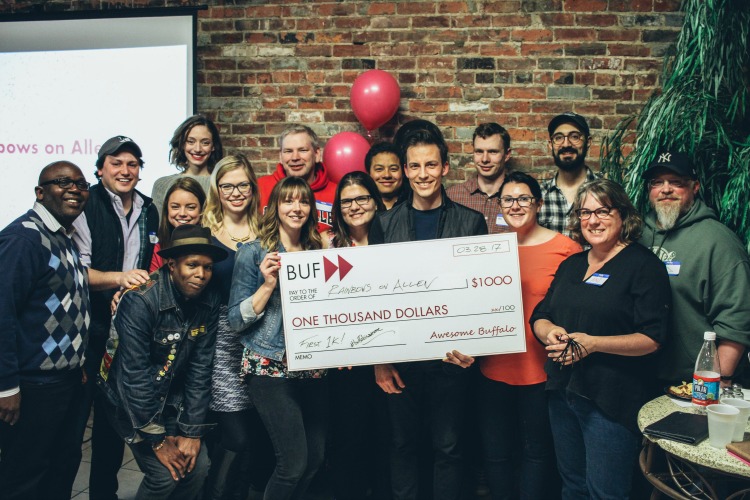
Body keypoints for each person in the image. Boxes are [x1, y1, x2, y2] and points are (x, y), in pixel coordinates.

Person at [531, 179, 671, 499]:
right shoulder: (572, 264)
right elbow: (540, 314)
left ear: (623, 215)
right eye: (585, 213)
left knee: (606, 492)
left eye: (603, 211)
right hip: (563, 394)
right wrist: (549, 331)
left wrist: (593, 343)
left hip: (611, 401)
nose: (593, 220)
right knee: (573, 485)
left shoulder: (644, 266)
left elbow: (653, 338)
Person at [369, 125, 487, 500]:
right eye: (415, 166)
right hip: (400, 358)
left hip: (451, 359)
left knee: (449, 448)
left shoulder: (471, 222)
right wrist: (379, 361)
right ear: (405, 170)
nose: (423, 174)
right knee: (402, 445)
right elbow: (374, 297)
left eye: (431, 165)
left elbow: (479, 294)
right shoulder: (384, 224)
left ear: (446, 168)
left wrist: (476, 346)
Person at [99, 224, 225, 500]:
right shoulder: (140, 300)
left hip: (172, 400)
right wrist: (157, 440)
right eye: (192, 265)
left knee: (198, 467)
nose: (201, 275)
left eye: (207, 267)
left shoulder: (210, 298)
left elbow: (201, 369)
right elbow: (133, 376)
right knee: (164, 476)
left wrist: (191, 432)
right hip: (129, 400)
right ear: (171, 264)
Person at [478, 171, 580, 500]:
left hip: (541, 372)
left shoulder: (566, 248)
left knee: (537, 452)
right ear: (500, 205)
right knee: (496, 454)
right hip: (493, 368)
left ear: (537, 204)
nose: (516, 206)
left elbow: (577, 308)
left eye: (524, 199)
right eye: (509, 199)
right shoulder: (488, 250)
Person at [72, 135, 160, 500]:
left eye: (133, 164)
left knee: (111, 432)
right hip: (87, 334)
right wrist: (120, 280)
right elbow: (78, 273)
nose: (126, 170)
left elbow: (150, 267)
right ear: (100, 168)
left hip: (127, 335)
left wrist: (136, 291)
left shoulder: (149, 208)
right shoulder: (85, 204)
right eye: (117, 163)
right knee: (73, 431)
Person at [228, 176, 326, 500]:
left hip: (312, 368)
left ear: (311, 208)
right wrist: (268, 284)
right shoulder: (254, 252)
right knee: (292, 464)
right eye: (288, 200)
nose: (296, 208)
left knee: (314, 460)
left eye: (303, 201)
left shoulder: (318, 251)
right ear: (275, 207)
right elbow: (235, 321)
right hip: (269, 366)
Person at [0, 161, 91, 500]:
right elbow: (2, 314)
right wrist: (5, 386)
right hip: (34, 385)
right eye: (62, 182)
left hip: (65, 382)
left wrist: (76, 363)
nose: (74, 189)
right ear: (40, 192)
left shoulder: (63, 237)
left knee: (62, 466)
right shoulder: (23, 238)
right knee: (25, 476)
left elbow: (66, 307)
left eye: (81, 184)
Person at [639, 150, 750, 387]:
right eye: (657, 182)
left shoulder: (718, 241)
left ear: (695, 187)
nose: (665, 189)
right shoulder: (636, 235)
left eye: (676, 182)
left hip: (693, 382)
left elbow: (737, 318)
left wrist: (716, 382)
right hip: (640, 376)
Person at [201, 154, 265, 500]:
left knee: (255, 435)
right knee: (235, 436)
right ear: (217, 190)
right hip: (221, 343)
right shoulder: (205, 231)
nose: (236, 192)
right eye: (228, 186)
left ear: (252, 187)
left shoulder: (267, 227)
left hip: (260, 339)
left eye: (242, 184)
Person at [325, 171, 390, 500]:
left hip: (389, 360)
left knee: (385, 440)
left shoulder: (393, 241)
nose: (355, 206)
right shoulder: (328, 245)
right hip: (344, 365)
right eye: (347, 201)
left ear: (375, 202)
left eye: (362, 198)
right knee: (348, 441)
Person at [257, 124, 336, 232]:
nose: (295, 158)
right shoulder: (260, 187)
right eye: (288, 151)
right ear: (280, 156)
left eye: (302, 150)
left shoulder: (337, 193)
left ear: (317, 154)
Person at [537, 112, 598, 237]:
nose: (566, 144)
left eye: (575, 137)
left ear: (588, 142)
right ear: (550, 144)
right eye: (558, 138)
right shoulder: (538, 194)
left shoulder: (607, 192)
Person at [446, 122, 513, 234]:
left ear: (507, 154)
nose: (484, 159)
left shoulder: (518, 199)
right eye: (479, 151)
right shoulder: (452, 196)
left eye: (493, 152)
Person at [151, 115, 223, 215]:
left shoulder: (222, 184)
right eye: (191, 141)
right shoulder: (162, 185)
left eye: (205, 143)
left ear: (213, 146)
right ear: (182, 144)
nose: (198, 149)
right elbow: (159, 228)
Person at [150, 177, 206, 272]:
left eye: (191, 207)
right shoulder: (157, 247)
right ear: (167, 209)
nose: (182, 213)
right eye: (175, 207)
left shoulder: (212, 242)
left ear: (202, 209)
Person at [365, 142, 404, 210]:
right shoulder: (361, 207)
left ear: (403, 172)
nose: (387, 175)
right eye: (379, 169)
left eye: (393, 169)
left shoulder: (414, 204)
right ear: (369, 173)